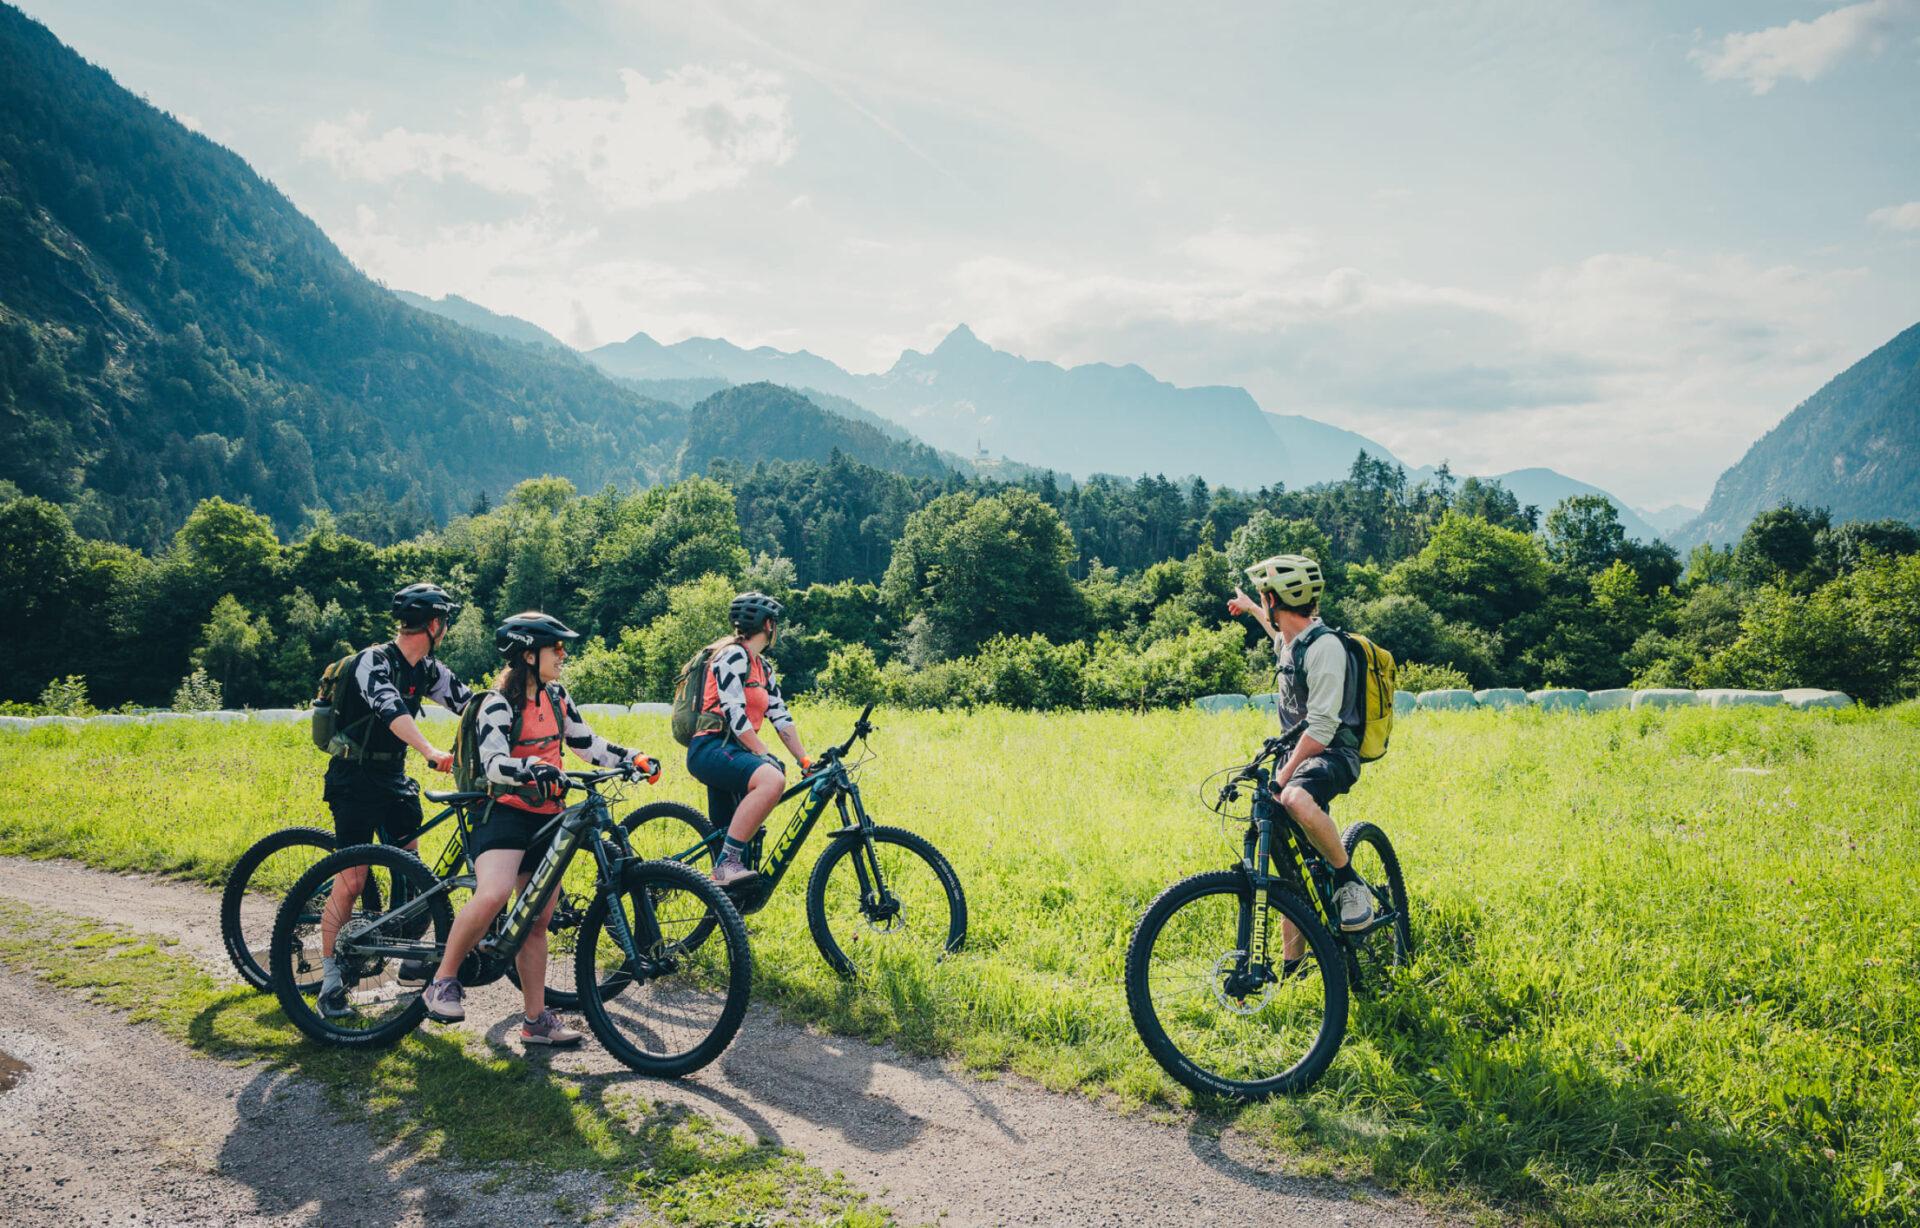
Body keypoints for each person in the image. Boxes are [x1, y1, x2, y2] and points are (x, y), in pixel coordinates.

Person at [421, 612, 659, 1047]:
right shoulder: (497, 704)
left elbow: (587, 744)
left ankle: (535, 1021)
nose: (564, 655)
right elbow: (493, 764)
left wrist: (632, 757)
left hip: (548, 817)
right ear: (529, 654)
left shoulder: (556, 696)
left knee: (536, 919)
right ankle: (443, 979)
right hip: (504, 813)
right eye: (557, 648)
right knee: (493, 895)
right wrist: (532, 767)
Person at [317, 583, 471, 1017]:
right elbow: (390, 708)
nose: (446, 629)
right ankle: (330, 979)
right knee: (352, 881)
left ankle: (409, 962)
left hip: (394, 780)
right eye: (446, 622)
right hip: (355, 780)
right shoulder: (374, 661)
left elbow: (470, 705)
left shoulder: (427, 669)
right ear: (435, 623)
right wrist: (431, 751)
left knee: (415, 875)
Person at [1226, 555, 1375, 933]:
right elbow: (1277, 637)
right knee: (1289, 867)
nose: (1263, 602)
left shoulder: (1325, 648)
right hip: (1299, 757)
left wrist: (1282, 779)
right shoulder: (1293, 642)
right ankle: (1295, 968)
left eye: (1263, 597)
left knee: (1293, 798)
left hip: (1333, 754)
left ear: (1274, 600)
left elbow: (1323, 729)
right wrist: (1250, 609)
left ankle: (1348, 882)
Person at [685, 592, 813, 889]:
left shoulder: (763, 667)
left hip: (734, 753)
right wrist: (763, 753)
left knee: (748, 843)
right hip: (711, 748)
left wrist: (804, 760)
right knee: (771, 780)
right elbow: (733, 711)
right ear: (768, 624)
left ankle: (730, 907)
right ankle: (726, 863)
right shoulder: (732, 656)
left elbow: (780, 715)